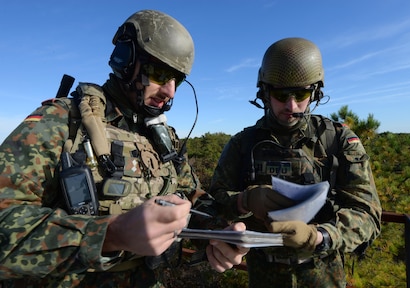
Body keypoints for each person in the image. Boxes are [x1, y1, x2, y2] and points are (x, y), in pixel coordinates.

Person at [0, 9, 248, 287]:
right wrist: (110, 234)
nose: (170, 92)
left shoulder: (164, 138)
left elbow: (193, 196)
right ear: (125, 60)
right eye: (160, 73)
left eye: (176, 79)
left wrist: (219, 233)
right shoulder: (60, 122)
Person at [208, 37, 382, 287]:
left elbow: (367, 213)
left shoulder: (337, 140)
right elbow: (214, 202)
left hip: (323, 273)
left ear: (315, 92)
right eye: (281, 94)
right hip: (263, 273)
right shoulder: (243, 144)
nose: (291, 105)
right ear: (265, 93)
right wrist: (243, 200)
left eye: (301, 94)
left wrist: (320, 236)